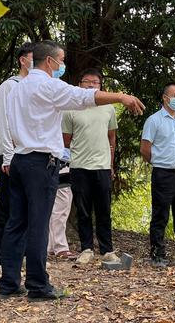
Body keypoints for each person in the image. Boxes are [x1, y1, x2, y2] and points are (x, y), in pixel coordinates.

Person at [0, 40, 144, 300]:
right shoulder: (48, 85)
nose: (63, 65)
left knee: (16, 223)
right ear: (50, 62)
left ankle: (8, 282)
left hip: (20, 160)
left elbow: (9, 125)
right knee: (39, 224)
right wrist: (121, 97)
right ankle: (38, 285)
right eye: (61, 60)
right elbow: (85, 97)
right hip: (40, 164)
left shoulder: (17, 88)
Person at [0, 42, 34, 278]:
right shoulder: (9, 86)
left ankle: (18, 255)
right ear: (22, 60)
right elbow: (5, 123)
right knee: (6, 205)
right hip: (11, 155)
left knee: (24, 208)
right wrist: (8, 156)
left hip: (30, 156)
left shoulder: (36, 87)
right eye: (32, 58)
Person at [62, 68, 119, 265]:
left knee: (104, 210)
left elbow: (112, 137)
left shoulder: (109, 107)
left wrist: (111, 165)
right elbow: (66, 140)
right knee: (83, 211)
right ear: (80, 84)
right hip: (79, 166)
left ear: (101, 86)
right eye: (87, 82)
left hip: (102, 166)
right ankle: (86, 248)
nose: (92, 85)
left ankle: (107, 250)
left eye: (96, 82)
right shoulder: (71, 108)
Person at [140, 82, 175, 267]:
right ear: (165, 98)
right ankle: (158, 253)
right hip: (164, 174)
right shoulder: (154, 120)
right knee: (160, 214)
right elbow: (145, 149)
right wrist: (160, 162)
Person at [46, 150, 74, 259]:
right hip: (61, 162)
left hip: (60, 163)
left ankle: (51, 245)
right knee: (62, 206)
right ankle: (60, 246)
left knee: (56, 207)